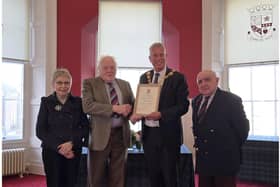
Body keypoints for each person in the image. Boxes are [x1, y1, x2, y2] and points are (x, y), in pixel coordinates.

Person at [131, 42, 189, 187]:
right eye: (155, 55)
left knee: (170, 177)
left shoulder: (177, 77)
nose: (158, 58)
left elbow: (183, 106)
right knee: (153, 176)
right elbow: (141, 103)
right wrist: (136, 113)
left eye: (161, 54)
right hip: (149, 135)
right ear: (150, 58)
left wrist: (161, 114)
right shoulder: (144, 77)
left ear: (166, 56)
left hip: (169, 136)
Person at [82, 55, 134, 187]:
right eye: (106, 68)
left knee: (118, 177)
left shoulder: (125, 84)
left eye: (112, 67)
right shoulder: (90, 83)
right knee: (96, 177)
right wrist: (115, 108)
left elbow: (132, 106)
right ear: (99, 69)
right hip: (99, 136)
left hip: (120, 135)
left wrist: (131, 111)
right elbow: (88, 106)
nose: (109, 70)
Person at [192, 70, 249, 187]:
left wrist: (230, 148)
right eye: (200, 82)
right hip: (204, 160)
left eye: (207, 80)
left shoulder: (231, 100)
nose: (203, 84)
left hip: (224, 160)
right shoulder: (196, 101)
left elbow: (243, 130)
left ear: (217, 81)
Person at [36, 68, 89, 187]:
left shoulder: (78, 102)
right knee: (54, 183)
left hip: (73, 150)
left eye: (67, 83)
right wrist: (59, 148)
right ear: (53, 84)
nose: (63, 86)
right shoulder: (46, 102)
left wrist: (71, 144)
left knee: (71, 183)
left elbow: (85, 127)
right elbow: (40, 131)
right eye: (59, 82)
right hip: (52, 151)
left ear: (70, 84)